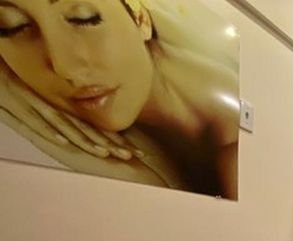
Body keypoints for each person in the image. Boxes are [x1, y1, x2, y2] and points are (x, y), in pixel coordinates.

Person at [0, 0, 239, 199]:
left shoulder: (234, 145)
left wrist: (139, 180)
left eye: (84, 19)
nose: (66, 68)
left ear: (141, 20)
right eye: (12, 27)